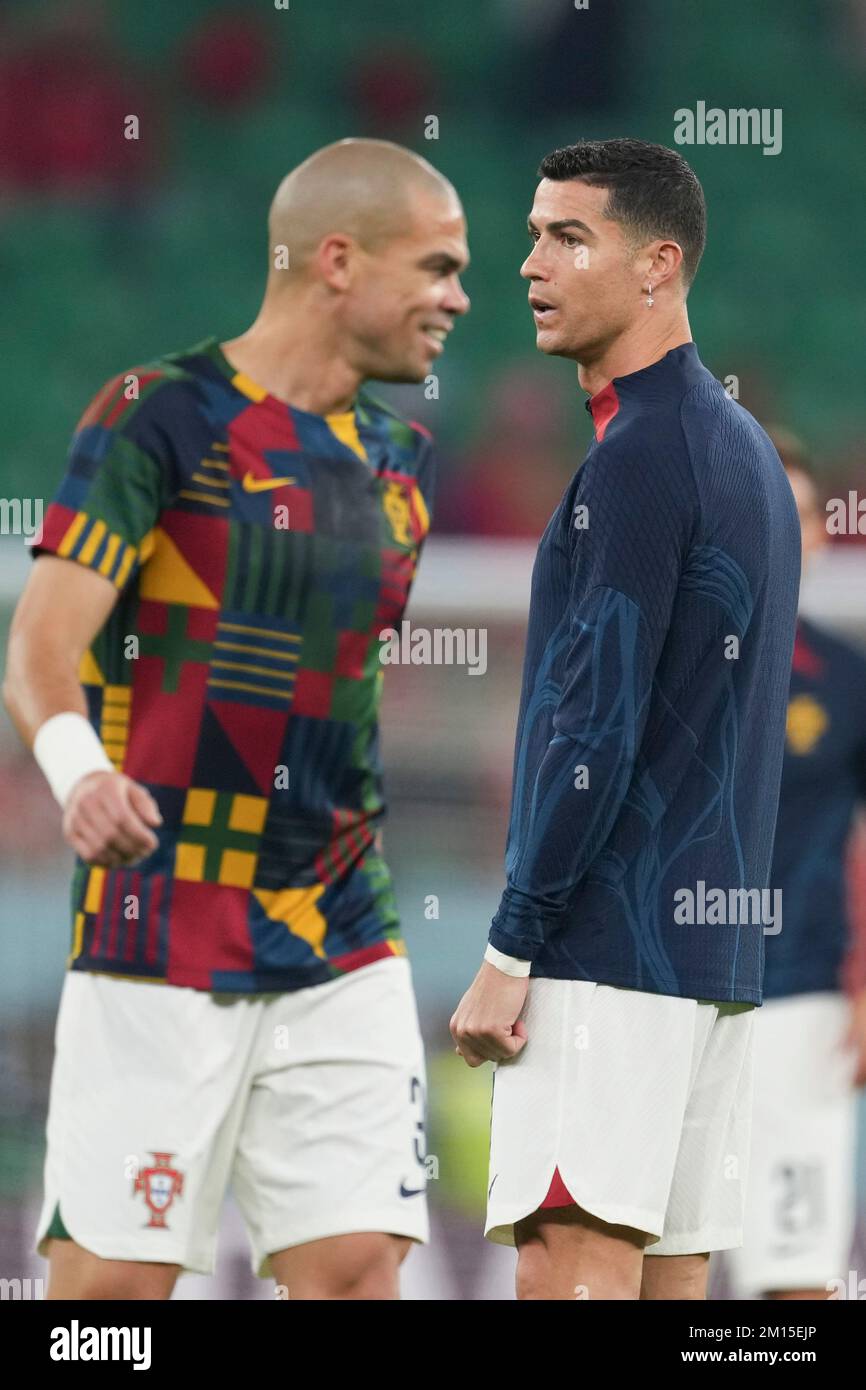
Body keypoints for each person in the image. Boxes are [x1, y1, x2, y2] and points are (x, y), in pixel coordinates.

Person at [3, 137, 470, 1301]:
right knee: (107, 1303)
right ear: (336, 261)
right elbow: (39, 651)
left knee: (358, 1272)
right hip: (160, 919)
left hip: (341, 922)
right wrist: (80, 777)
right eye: (437, 267)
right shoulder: (157, 416)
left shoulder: (403, 462)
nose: (460, 298)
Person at [451, 138, 801, 1301]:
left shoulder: (639, 457)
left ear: (656, 265)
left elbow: (590, 732)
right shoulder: (742, 449)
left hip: (604, 954)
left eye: (566, 236)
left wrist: (511, 945)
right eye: (531, 233)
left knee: (574, 1277)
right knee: (672, 1289)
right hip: (709, 960)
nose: (526, 264)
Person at [725, 447, 866, 1300]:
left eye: (800, 513)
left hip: (801, 999)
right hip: (662, 997)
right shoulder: (655, 664)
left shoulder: (848, 683)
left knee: (796, 1282)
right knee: (644, 1266)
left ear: (818, 537)